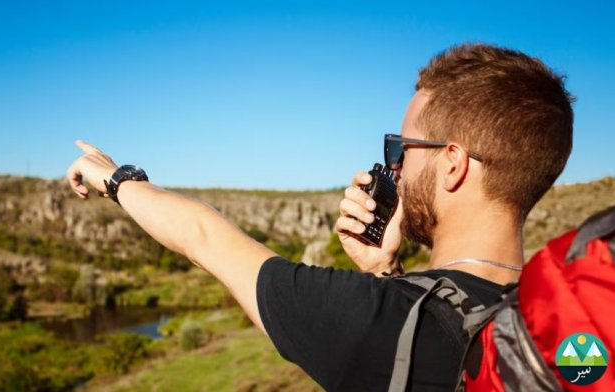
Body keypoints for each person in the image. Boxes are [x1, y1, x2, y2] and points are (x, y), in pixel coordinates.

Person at [66, 43, 574, 391]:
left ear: (453, 163)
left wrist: (115, 177)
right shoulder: (547, 321)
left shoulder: (377, 322)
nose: (393, 166)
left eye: (400, 147)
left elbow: (205, 236)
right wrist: (382, 272)